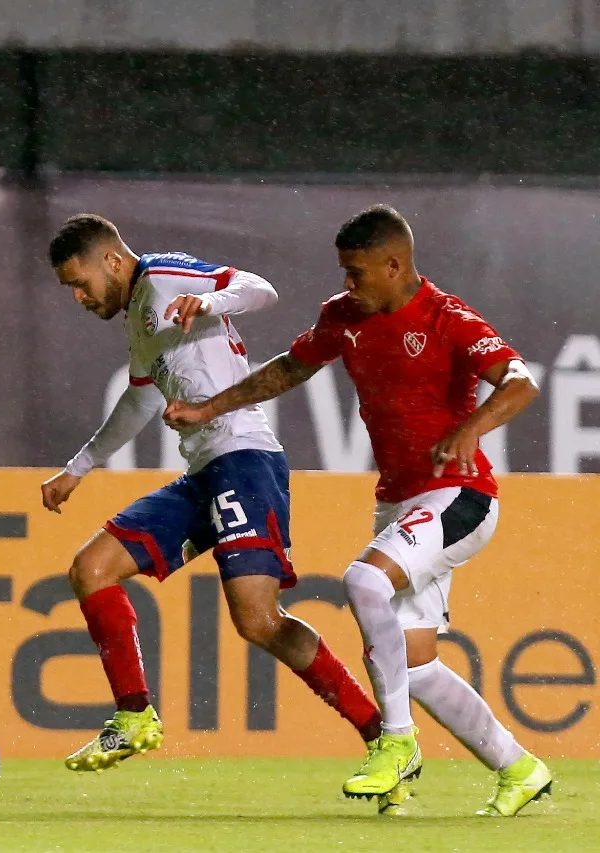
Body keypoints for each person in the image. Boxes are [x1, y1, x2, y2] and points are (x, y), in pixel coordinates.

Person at [164, 204, 551, 816]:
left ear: (395, 265)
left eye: (358, 272)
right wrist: (210, 408)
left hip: (461, 495)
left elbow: (521, 381)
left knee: (363, 580)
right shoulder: (342, 317)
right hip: (400, 499)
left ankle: (395, 743)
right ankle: (520, 768)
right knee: (416, 664)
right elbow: (291, 368)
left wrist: (473, 428)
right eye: (344, 272)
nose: (348, 284)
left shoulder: (448, 320)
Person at [42, 214, 382, 774]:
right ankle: (133, 716)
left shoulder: (166, 277)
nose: (78, 296)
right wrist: (79, 468)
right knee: (91, 568)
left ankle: (381, 734)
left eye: (80, 282)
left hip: (245, 460)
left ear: (111, 260)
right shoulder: (139, 319)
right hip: (205, 471)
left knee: (258, 621)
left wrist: (212, 302)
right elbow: (141, 401)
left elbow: (261, 290)